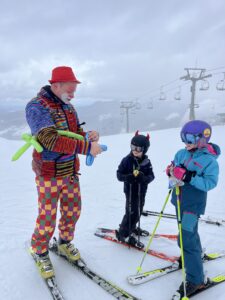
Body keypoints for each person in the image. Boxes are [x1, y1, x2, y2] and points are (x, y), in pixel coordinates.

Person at [26, 66, 102, 278]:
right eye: (70, 89)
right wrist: (87, 148)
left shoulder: (68, 107)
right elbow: (49, 140)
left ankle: (64, 243)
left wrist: (88, 137)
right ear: (56, 85)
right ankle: (40, 251)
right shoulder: (36, 106)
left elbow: (74, 135)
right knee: (47, 215)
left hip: (70, 172)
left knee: (72, 210)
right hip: (49, 173)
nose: (73, 94)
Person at [166, 120, 220, 298]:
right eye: (183, 138)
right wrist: (171, 171)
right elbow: (174, 166)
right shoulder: (181, 153)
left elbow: (210, 183)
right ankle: (191, 257)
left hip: (192, 205)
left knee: (187, 237)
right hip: (179, 201)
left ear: (203, 139)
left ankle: (196, 279)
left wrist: (189, 177)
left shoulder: (209, 161)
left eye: (190, 138)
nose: (186, 142)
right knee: (184, 235)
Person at [116, 131, 155, 248]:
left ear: (145, 149)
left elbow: (151, 176)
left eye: (139, 148)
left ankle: (132, 227)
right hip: (130, 191)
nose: (135, 150)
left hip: (141, 191)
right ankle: (123, 233)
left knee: (138, 211)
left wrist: (143, 178)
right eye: (133, 147)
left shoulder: (146, 162)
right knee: (131, 212)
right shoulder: (126, 160)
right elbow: (119, 175)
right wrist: (128, 177)